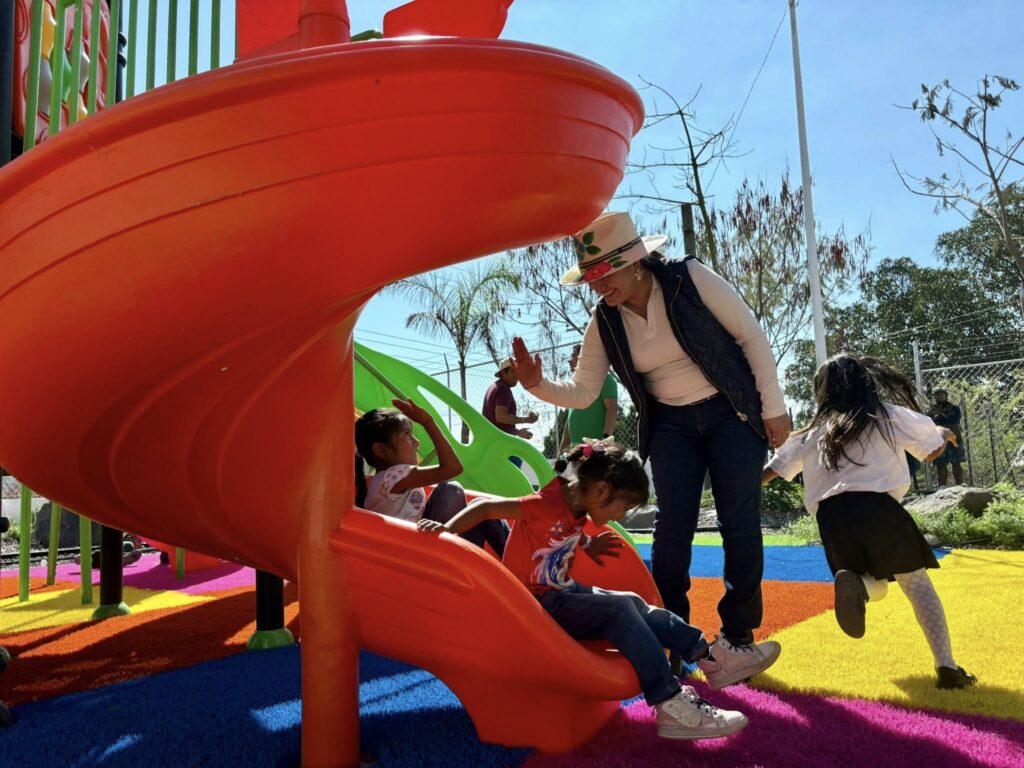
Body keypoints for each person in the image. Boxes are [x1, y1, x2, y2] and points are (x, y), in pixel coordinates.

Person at [511, 211, 789, 671]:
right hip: (670, 424)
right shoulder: (605, 319)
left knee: (738, 521)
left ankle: (737, 639)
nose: (598, 286)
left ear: (636, 261)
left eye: (605, 273)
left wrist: (773, 407)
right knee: (672, 527)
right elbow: (583, 390)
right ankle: (675, 641)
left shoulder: (690, 278)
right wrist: (536, 385)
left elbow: (751, 336)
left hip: (731, 413)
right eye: (591, 278)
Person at [418, 442, 781, 740]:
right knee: (619, 611)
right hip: (534, 604)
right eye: (625, 506)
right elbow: (484, 507)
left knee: (633, 602)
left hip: (561, 591)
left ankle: (710, 657)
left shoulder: (576, 503)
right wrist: (447, 530)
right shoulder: (544, 502)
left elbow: (561, 526)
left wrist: (587, 545)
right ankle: (669, 701)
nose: (623, 515)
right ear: (601, 490)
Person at [762, 355, 976, 689]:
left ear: (822, 392)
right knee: (915, 583)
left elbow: (771, 471)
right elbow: (932, 450)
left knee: (870, 580)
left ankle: (860, 587)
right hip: (879, 509)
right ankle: (947, 666)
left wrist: (730, 479)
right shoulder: (887, 414)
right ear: (865, 381)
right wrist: (942, 432)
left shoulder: (812, 432)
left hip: (832, 519)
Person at [355, 399, 509, 555]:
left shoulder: (389, 480)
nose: (416, 442)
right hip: (417, 555)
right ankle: (515, 560)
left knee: (480, 505)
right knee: (451, 490)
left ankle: (513, 560)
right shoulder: (390, 477)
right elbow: (452, 468)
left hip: (424, 547)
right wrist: (428, 422)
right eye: (407, 435)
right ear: (381, 450)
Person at [559, 343, 619, 453]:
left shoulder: (604, 380)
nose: (569, 360)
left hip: (596, 451)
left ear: (584, 358)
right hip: (576, 452)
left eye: (573, 356)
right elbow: (570, 421)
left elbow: (612, 408)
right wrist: (562, 449)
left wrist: (604, 441)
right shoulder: (575, 385)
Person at [482, 356, 539, 467]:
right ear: (503, 373)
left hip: (493, 443)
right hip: (503, 446)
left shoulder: (494, 387)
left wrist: (517, 432)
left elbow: (496, 421)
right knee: (514, 474)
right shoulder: (503, 389)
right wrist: (527, 419)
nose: (517, 376)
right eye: (513, 371)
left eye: (518, 372)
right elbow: (501, 417)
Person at [928, 389, 965, 486]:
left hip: (954, 438)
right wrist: (939, 418)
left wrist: (940, 418)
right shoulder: (931, 410)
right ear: (935, 397)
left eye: (942, 394)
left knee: (956, 462)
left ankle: (959, 484)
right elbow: (930, 421)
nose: (940, 396)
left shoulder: (954, 408)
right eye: (937, 395)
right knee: (941, 463)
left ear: (946, 396)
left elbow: (955, 419)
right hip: (939, 439)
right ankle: (942, 485)